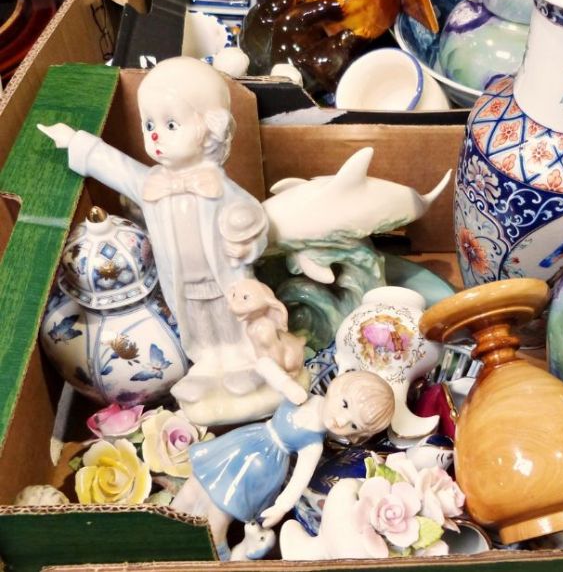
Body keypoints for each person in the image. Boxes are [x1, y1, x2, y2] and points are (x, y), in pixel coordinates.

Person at [38, 57, 271, 421]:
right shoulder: (151, 183)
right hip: (180, 282)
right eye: (149, 125)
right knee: (197, 327)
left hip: (223, 278)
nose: (156, 135)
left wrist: (245, 241)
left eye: (171, 124)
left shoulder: (217, 185)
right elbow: (114, 165)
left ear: (211, 127)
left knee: (231, 323)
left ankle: (245, 364)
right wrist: (75, 142)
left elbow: (252, 218)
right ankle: (207, 367)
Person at [170, 370, 395, 560]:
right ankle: (163, 527)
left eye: (353, 425)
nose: (341, 421)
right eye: (344, 405)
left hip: (261, 470)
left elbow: (299, 481)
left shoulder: (313, 444)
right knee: (193, 487)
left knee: (218, 515)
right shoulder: (300, 395)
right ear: (336, 387)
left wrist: (281, 507)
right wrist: (283, 380)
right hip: (242, 443)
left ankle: (212, 559)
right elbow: (267, 369)